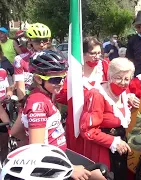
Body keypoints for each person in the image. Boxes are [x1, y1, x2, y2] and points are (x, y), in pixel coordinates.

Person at [21, 50, 105, 180]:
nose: (61, 83)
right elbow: (36, 149)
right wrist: (69, 169)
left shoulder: (42, 96)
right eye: (55, 79)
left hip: (59, 155)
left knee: (102, 173)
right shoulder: (38, 103)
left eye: (63, 77)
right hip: (52, 163)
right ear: (38, 79)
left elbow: (16, 131)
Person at [79, 57, 135, 180]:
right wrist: (113, 142)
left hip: (121, 152)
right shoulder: (97, 95)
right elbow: (87, 130)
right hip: (102, 151)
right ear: (109, 76)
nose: (123, 82)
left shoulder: (124, 94)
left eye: (127, 79)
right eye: (118, 78)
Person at [56, 37, 109, 155]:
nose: (97, 56)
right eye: (93, 53)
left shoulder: (105, 66)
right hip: (77, 118)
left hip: (101, 121)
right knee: (79, 154)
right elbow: (61, 95)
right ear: (83, 54)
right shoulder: (73, 70)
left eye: (99, 53)